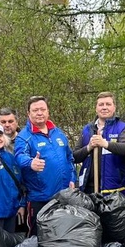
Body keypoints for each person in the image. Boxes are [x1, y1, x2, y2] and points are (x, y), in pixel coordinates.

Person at [14, 95, 77, 233]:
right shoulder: (24, 137)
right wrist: (31, 162)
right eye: (35, 110)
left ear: (48, 111)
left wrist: (72, 179)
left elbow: (70, 158)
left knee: (62, 236)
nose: (39, 113)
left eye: (42, 109)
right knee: (40, 239)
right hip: (40, 199)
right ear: (28, 113)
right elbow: (19, 156)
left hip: (63, 197)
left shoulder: (58, 133)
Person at [73, 92, 125, 195]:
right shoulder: (87, 129)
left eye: (108, 104)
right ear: (96, 108)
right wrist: (89, 147)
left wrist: (105, 144)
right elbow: (74, 156)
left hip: (114, 190)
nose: (104, 108)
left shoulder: (122, 127)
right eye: (101, 104)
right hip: (89, 189)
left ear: (114, 107)